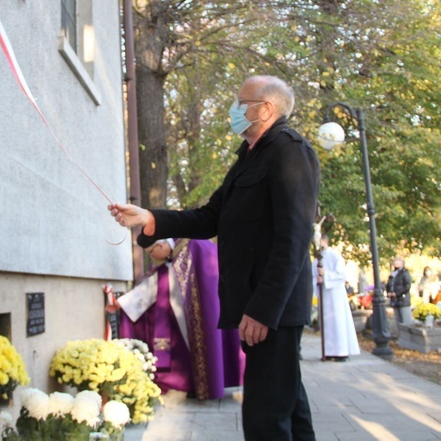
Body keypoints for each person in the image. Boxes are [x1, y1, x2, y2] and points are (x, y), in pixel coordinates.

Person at [110, 75, 320, 440]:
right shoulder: (248, 159)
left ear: (266, 109)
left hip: (273, 310)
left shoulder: (289, 151)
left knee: (265, 418)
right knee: (287, 407)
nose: (234, 109)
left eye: (242, 102)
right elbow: (209, 217)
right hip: (256, 306)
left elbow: (294, 238)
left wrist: (263, 309)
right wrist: (151, 219)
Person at [116, 238, 245, 399]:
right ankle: (198, 386)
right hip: (186, 317)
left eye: (151, 251)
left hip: (207, 314)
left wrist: (125, 303)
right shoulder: (175, 254)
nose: (152, 257)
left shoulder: (193, 246)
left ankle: (208, 385)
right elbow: (158, 282)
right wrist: (124, 303)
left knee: (208, 343)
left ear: (162, 245)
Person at [313, 234, 359, 362]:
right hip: (324, 295)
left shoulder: (334, 255)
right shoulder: (317, 258)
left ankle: (341, 351)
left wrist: (325, 275)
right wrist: (317, 279)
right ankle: (328, 351)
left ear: (324, 241)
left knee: (338, 322)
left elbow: (341, 275)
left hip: (335, 294)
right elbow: (313, 275)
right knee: (327, 323)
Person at [386, 258, 413, 326]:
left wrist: (397, 293)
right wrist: (389, 292)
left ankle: (407, 335)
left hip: (403, 299)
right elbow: (388, 285)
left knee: (406, 320)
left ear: (402, 264)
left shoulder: (405, 273)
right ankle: (400, 335)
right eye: (395, 263)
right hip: (394, 300)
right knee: (398, 320)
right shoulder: (392, 274)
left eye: (398, 263)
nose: (396, 264)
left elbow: (407, 286)